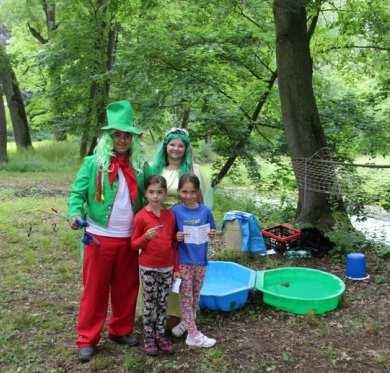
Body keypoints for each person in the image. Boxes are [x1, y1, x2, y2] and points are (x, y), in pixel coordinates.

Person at [67, 100, 144, 363]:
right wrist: (75, 213)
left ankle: (120, 331)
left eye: (126, 135)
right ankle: (87, 339)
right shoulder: (92, 163)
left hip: (129, 240)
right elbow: (77, 193)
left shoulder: (139, 167)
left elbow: (149, 197)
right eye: (117, 135)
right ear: (109, 137)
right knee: (95, 291)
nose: (122, 140)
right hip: (99, 239)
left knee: (126, 288)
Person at [145, 127, 213, 332]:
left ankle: (178, 315)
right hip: (159, 222)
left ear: (186, 148)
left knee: (180, 266)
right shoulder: (154, 168)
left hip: (184, 224)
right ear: (166, 146)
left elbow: (202, 200)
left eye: (180, 145)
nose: (176, 148)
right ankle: (157, 310)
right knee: (158, 264)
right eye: (172, 144)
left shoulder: (193, 169)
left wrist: (204, 229)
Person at [131, 175, 179, 356]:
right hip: (148, 267)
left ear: (165, 194)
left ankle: (160, 335)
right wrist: (145, 237)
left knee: (162, 302)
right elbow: (133, 245)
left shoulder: (170, 216)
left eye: (159, 192)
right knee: (150, 303)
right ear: (146, 194)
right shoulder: (141, 217)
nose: (156, 196)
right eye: (151, 192)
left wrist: (176, 267)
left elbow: (173, 244)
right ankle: (149, 337)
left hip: (167, 267)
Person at [172, 173, 217, 348]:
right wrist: (176, 236)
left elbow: (212, 230)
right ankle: (193, 335)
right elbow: (169, 237)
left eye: (192, 192)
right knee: (186, 297)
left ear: (198, 192)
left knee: (195, 296)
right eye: (184, 192)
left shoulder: (205, 211)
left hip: (201, 261)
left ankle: (186, 323)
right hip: (183, 261)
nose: (189, 196)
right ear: (179, 191)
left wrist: (212, 233)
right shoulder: (175, 211)